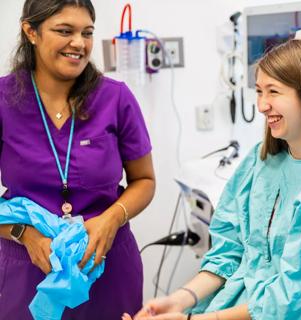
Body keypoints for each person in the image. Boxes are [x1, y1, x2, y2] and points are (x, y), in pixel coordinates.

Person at [125, 39, 301, 320]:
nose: (262, 105)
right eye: (259, 91)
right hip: (237, 306)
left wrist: (191, 319)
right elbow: (229, 250)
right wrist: (179, 300)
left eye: (273, 92)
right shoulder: (261, 162)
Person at [0, 0, 155, 319]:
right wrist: (25, 234)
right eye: (64, 31)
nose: (79, 43)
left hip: (104, 264)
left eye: (87, 32)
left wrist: (111, 219)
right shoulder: (4, 100)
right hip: (28, 269)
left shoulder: (115, 97)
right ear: (31, 31)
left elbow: (145, 180)